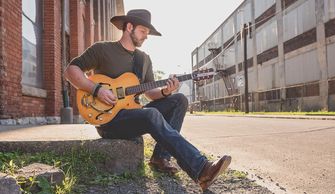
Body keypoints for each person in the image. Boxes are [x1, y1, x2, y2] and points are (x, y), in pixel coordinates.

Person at [64, 9, 231, 191]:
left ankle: (160, 157)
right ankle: (201, 170)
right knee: (150, 114)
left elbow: (150, 93)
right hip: (108, 120)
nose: (146, 36)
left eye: (147, 33)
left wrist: (166, 92)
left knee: (179, 100)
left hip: (132, 115)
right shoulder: (102, 49)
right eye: (143, 31)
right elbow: (71, 71)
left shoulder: (143, 60)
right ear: (129, 27)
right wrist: (96, 89)